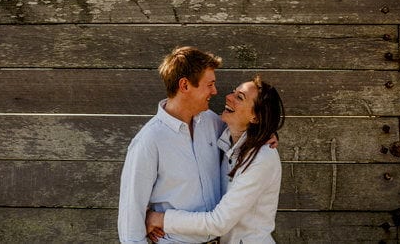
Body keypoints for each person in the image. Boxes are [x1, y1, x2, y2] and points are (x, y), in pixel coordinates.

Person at [145, 76, 284, 244]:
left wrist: (160, 219)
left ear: (255, 117)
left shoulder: (261, 159)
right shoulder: (227, 138)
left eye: (240, 97)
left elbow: (219, 223)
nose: (229, 97)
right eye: (233, 92)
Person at [119, 46, 227, 243]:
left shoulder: (212, 122)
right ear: (184, 85)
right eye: (209, 84)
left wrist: (267, 134)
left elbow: (243, 137)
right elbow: (131, 215)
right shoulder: (149, 140)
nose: (215, 91)